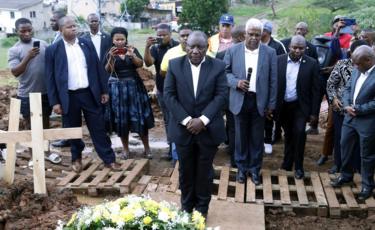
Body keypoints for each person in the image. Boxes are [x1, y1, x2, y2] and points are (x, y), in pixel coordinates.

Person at [164, 31, 227, 218]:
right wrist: (187, 120)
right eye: (191, 46)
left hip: (208, 131)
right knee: (185, 170)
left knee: (205, 172)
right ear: (186, 46)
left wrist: (203, 120)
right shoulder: (175, 66)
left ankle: (201, 210)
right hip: (183, 130)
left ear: (207, 47)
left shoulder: (218, 66)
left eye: (200, 47)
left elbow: (221, 95)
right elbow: (169, 95)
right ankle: (186, 207)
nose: (195, 51)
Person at [45, 16, 120, 172]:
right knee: (72, 130)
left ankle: (109, 159)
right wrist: (55, 102)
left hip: (89, 94)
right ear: (61, 30)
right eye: (69, 27)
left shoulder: (86, 44)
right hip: (68, 97)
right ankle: (76, 158)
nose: (73, 29)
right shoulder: (53, 50)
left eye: (74, 26)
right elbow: (50, 77)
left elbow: (98, 68)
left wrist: (104, 90)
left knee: (98, 128)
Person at [224, 18, 278, 185]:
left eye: (257, 35)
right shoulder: (233, 51)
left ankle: (254, 170)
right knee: (240, 137)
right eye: (251, 34)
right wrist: (236, 82)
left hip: (259, 101)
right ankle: (241, 169)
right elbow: (224, 73)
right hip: (239, 100)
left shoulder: (269, 53)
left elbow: (273, 81)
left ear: (262, 35)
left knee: (256, 138)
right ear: (244, 34)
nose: (254, 38)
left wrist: (271, 104)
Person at [8, 18, 61, 164]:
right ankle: (33, 156)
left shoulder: (43, 44)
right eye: (22, 30)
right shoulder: (14, 50)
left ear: (33, 29)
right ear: (16, 31)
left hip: (45, 93)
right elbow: (15, 72)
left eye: (29, 30)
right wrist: (28, 57)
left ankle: (47, 151)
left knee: (45, 123)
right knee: (29, 125)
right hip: (27, 94)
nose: (26, 33)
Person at [330, 45, 375, 201]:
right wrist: (347, 103)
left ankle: (367, 185)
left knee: (366, 154)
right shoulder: (357, 69)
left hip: (368, 121)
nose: (355, 66)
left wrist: (359, 109)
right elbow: (348, 88)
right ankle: (346, 175)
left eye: (358, 63)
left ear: (368, 60)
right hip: (350, 118)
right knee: (345, 146)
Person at [105, 27, 154, 159]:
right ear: (113, 40)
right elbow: (108, 70)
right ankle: (126, 150)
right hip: (117, 89)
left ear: (126, 39)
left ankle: (147, 148)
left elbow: (139, 64)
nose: (120, 42)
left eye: (122, 39)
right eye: (117, 39)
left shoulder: (132, 50)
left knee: (140, 118)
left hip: (134, 87)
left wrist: (132, 55)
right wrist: (111, 57)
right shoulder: (109, 52)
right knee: (122, 121)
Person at [277, 35, 320, 179]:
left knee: (300, 133)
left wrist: (314, 113)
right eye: (294, 47)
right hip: (283, 106)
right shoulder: (279, 61)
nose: (297, 50)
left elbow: (316, 90)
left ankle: (299, 167)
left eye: (301, 48)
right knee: (288, 135)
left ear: (305, 49)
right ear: (289, 46)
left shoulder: (312, 63)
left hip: (300, 106)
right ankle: (287, 163)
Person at [326, 40, 367, 174]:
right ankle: (338, 164)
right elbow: (331, 84)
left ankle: (355, 167)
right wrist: (333, 99)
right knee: (340, 139)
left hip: (360, 112)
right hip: (341, 109)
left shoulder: (369, 69)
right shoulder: (342, 64)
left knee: (357, 140)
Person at [316, 16, 353, 165]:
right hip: (336, 89)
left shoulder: (351, 38)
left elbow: (340, 54)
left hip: (352, 98)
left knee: (347, 132)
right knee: (332, 126)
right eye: (337, 23)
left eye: (342, 24)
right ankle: (326, 154)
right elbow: (335, 50)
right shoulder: (326, 37)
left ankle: (343, 161)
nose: (340, 25)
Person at [144, 23, 179, 160]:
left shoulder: (177, 46)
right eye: (159, 35)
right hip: (162, 90)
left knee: (178, 119)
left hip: (178, 90)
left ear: (170, 34)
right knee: (167, 120)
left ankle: (179, 149)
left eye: (164, 35)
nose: (161, 37)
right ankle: (171, 148)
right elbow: (148, 63)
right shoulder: (155, 48)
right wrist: (147, 47)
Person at [216, 25, 246, 168]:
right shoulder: (231, 55)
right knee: (238, 128)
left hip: (227, 98)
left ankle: (233, 154)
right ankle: (237, 159)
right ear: (241, 37)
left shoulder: (220, 54)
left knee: (233, 126)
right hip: (235, 97)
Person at [261, 20, 286, 155]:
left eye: (263, 30)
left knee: (269, 114)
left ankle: (267, 140)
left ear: (268, 32)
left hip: (272, 85)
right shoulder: (255, 44)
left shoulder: (277, 46)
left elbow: (283, 65)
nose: (260, 32)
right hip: (258, 86)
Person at [49, 9, 70, 148]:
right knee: (65, 112)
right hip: (60, 82)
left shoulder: (65, 38)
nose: (51, 23)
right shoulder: (56, 37)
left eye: (53, 20)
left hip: (69, 83)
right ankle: (67, 138)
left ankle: (69, 139)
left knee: (68, 112)